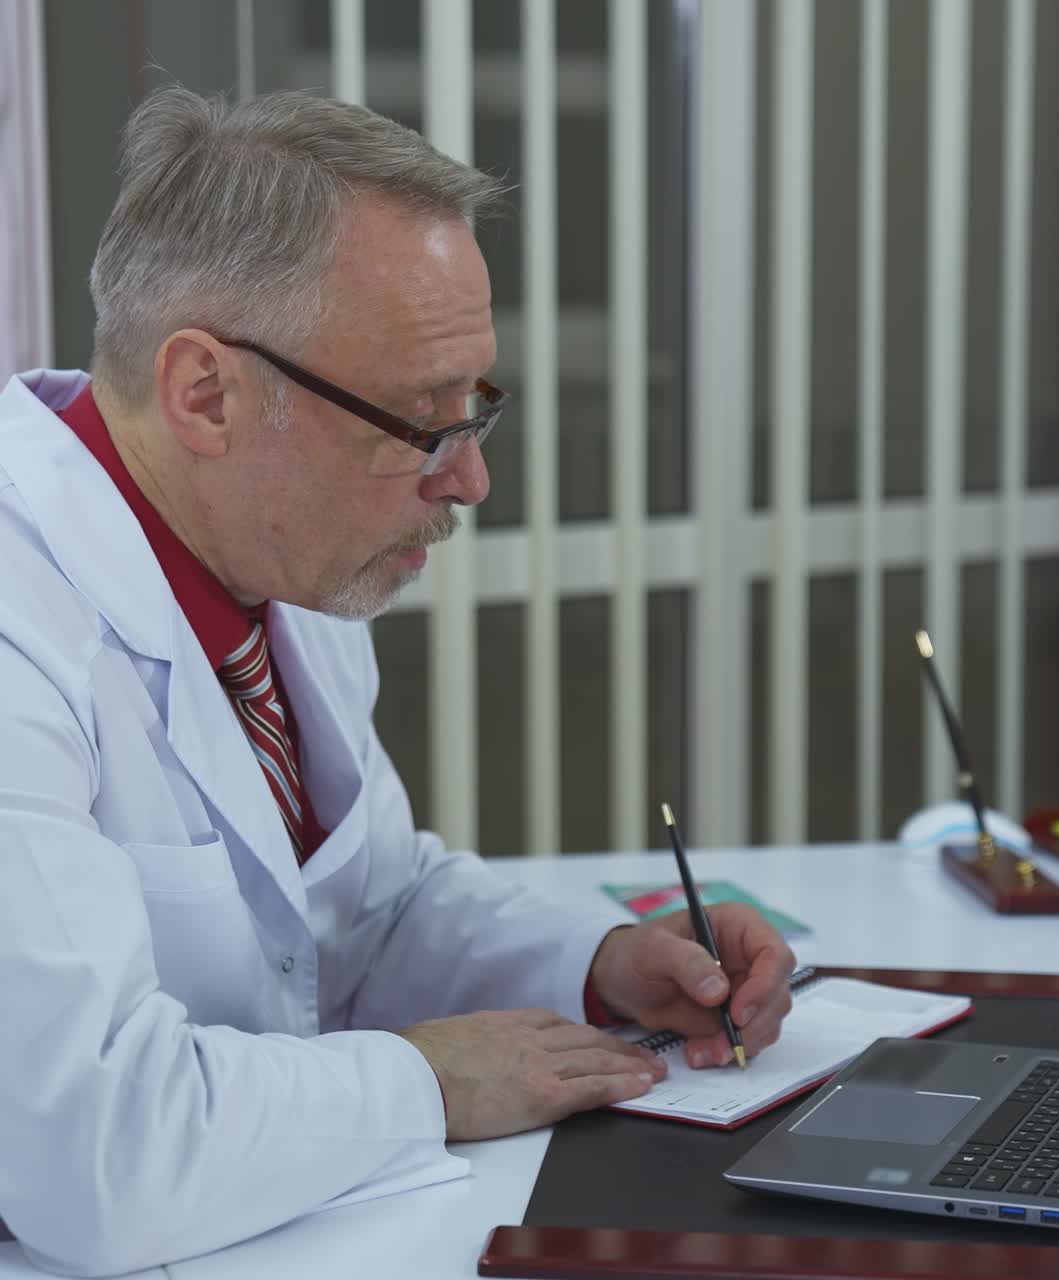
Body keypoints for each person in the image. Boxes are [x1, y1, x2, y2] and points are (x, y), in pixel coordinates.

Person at [0, 88, 796, 1276]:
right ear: (206, 393)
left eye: (475, 408)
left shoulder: (276, 553)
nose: (468, 480)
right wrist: (426, 1078)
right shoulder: (23, 627)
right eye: (420, 422)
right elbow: (93, 1153)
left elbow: (359, 909)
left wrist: (598, 963)